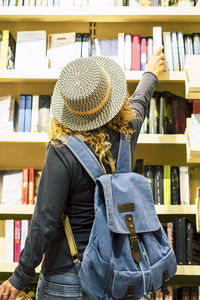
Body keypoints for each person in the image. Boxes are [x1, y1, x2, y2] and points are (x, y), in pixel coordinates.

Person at [0, 46, 165, 300]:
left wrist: (20, 276)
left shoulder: (61, 151)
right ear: (112, 98)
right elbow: (140, 101)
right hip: (118, 275)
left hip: (69, 279)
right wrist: (151, 73)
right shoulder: (128, 130)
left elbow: (45, 221)